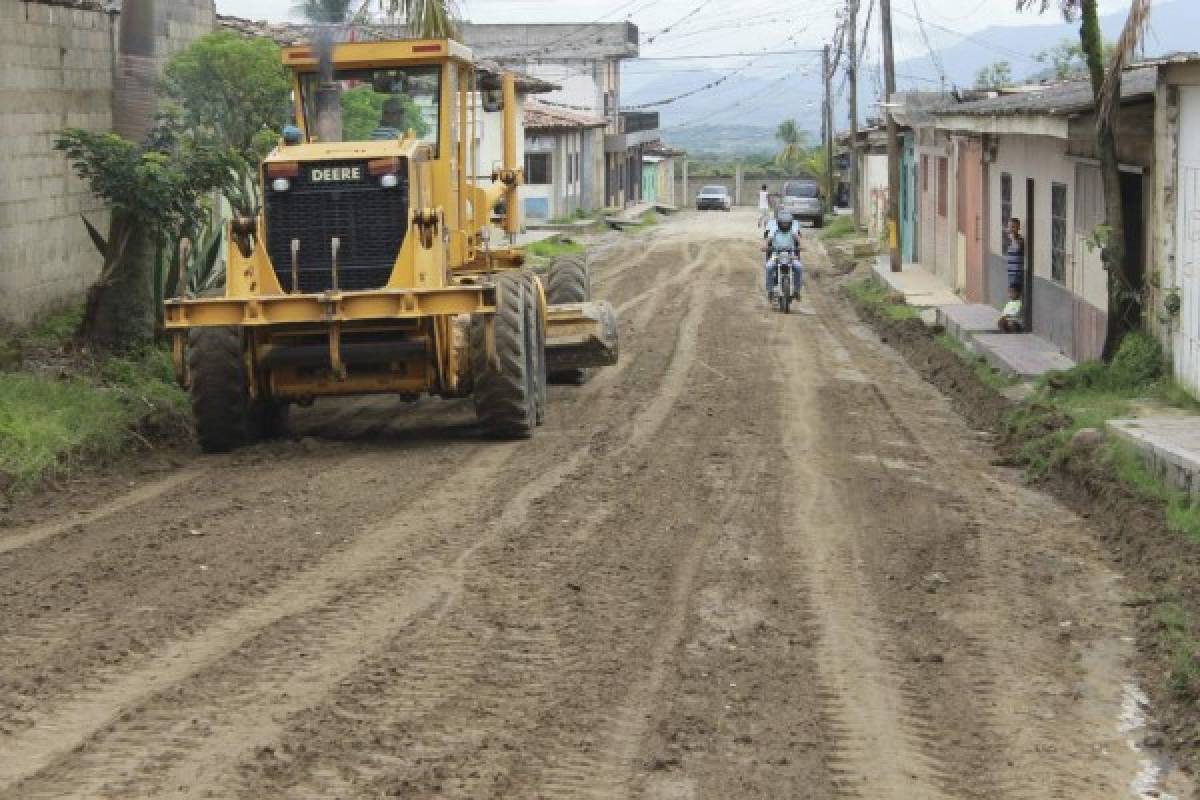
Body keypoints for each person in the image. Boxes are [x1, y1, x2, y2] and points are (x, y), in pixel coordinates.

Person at [763, 211, 803, 301]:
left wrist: (801, 245)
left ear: (790, 223)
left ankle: (797, 290)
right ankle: (770, 290)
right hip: (776, 255)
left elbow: (797, 238)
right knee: (769, 267)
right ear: (779, 223)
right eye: (783, 223)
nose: (785, 225)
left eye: (787, 223)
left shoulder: (792, 230)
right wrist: (765, 246)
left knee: (799, 267)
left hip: (790, 255)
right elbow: (769, 238)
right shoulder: (774, 230)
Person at [1006, 217, 1025, 295]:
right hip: (1011, 271)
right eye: (1009, 227)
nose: (1011, 229)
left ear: (1018, 228)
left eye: (1013, 227)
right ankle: (1014, 305)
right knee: (1011, 292)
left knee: (1014, 292)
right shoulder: (1011, 241)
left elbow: (1018, 248)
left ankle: (1016, 306)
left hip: (1017, 272)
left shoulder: (1019, 239)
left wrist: (1013, 238)